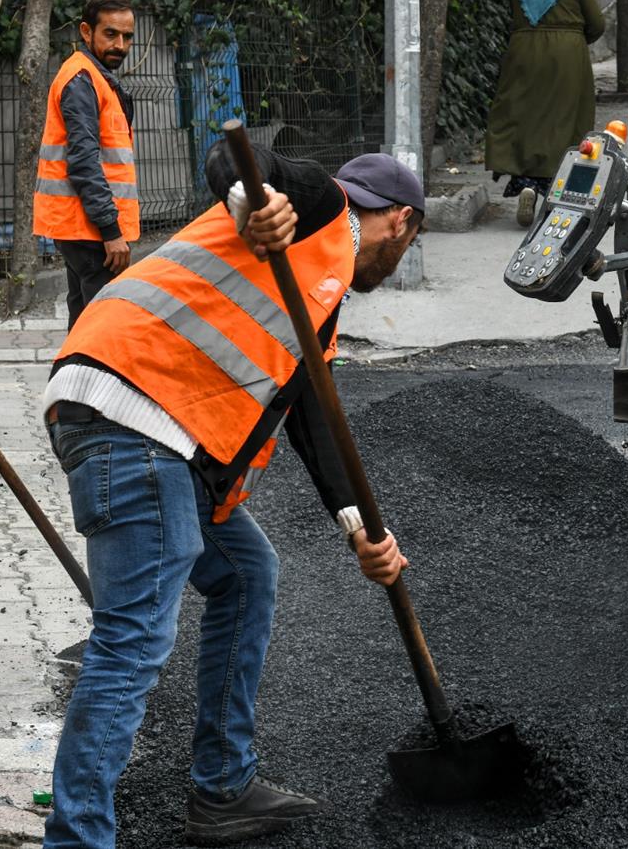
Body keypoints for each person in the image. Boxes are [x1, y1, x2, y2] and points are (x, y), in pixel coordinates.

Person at [40, 145, 426, 849]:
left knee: (248, 572)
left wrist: (362, 530)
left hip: (148, 422)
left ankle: (223, 787)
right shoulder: (325, 208)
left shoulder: (318, 298)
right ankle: (77, 838)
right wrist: (258, 204)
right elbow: (238, 155)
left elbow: (312, 411)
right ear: (401, 222)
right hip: (135, 407)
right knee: (132, 640)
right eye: (407, 240)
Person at [33, 0, 138, 328]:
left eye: (127, 36)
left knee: (83, 325)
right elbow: (83, 163)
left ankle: (62, 381)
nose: (120, 45)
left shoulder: (91, 77)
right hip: (90, 229)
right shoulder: (82, 79)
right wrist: (111, 230)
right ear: (85, 31)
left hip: (80, 226)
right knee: (102, 331)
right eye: (111, 34)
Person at [485, 0, 605, 227]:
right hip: (566, 55)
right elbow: (597, 24)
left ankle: (527, 184)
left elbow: (511, 19)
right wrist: (574, 37)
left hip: (523, 51)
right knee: (563, 120)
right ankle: (555, 192)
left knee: (522, 116)